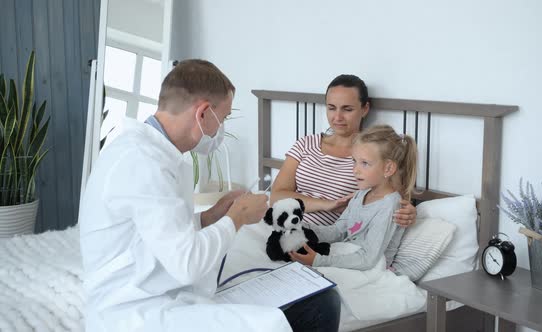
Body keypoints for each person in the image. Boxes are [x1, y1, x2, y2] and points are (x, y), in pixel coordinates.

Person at [79, 59, 340, 332]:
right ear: (203, 112)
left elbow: (158, 231)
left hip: (157, 291)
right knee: (303, 312)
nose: (221, 129)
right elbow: (186, 264)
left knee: (318, 299)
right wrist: (236, 218)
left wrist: (210, 216)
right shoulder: (144, 163)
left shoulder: (150, 153)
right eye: (223, 118)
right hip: (137, 311)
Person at [271, 74, 417, 227]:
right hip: (277, 222)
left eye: (347, 109)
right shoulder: (306, 143)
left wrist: (409, 213)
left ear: (365, 108)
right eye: (331, 108)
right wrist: (327, 204)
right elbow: (276, 196)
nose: (337, 117)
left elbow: (394, 203)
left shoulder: (374, 155)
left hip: (318, 236)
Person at [290, 125, 417, 270]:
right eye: (354, 161)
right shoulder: (361, 194)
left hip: (370, 270)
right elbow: (338, 231)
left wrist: (320, 261)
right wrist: (304, 228)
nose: (355, 170)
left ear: (388, 168)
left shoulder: (391, 206)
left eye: (364, 163)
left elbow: (369, 259)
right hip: (347, 257)